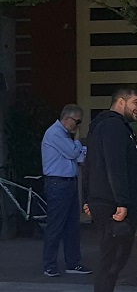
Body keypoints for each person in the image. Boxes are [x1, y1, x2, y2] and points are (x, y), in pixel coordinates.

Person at [83, 87, 137, 292]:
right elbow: (114, 165)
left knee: (114, 258)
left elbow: (89, 164)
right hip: (113, 204)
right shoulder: (113, 127)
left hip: (105, 201)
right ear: (121, 102)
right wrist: (121, 202)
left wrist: (87, 198)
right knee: (112, 258)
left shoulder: (103, 126)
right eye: (135, 102)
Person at [40, 104, 91, 277]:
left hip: (67, 182)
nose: (78, 125)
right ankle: (49, 264)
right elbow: (73, 154)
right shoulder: (55, 133)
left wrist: (77, 147)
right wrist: (77, 140)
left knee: (72, 225)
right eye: (77, 121)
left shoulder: (62, 135)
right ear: (67, 118)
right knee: (56, 225)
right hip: (58, 183)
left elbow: (79, 156)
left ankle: (73, 262)